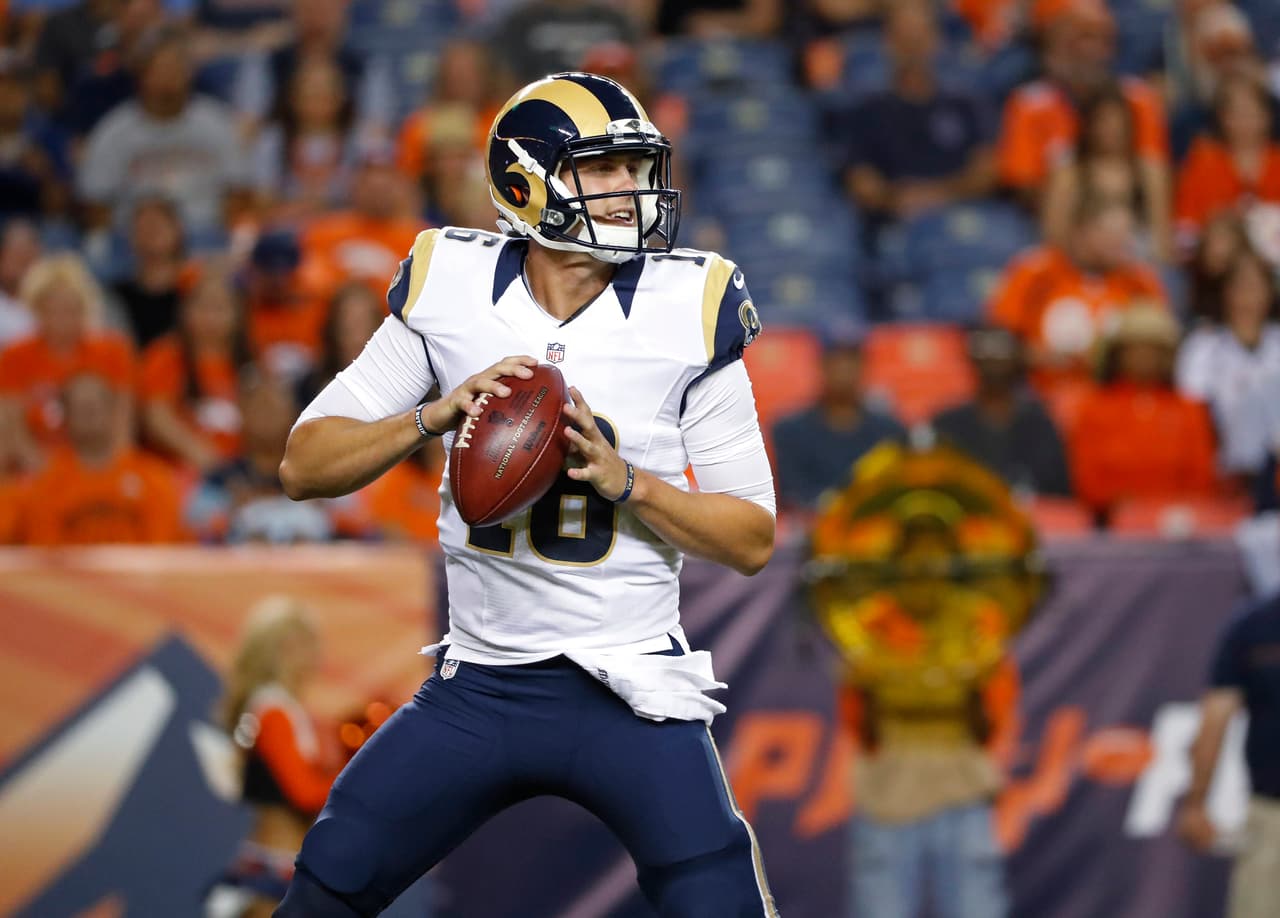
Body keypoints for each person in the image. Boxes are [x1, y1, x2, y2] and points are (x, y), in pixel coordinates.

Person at [275, 72, 779, 916]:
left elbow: (753, 538)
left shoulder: (688, 305)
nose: (631, 190)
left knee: (716, 897)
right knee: (335, 871)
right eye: (604, 170)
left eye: (635, 168)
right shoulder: (452, 286)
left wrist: (632, 485)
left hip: (627, 688)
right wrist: (432, 416)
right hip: (480, 686)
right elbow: (303, 464)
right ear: (524, 182)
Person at [209, 595, 341, 917]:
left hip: (280, 861)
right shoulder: (273, 711)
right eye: (305, 645)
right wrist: (356, 778)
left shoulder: (278, 708)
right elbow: (304, 793)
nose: (315, 657)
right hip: (274, 866)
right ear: (282, 650)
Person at [842, 0, 996, 223]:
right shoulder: (866, 111)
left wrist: (939, 194)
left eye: (919, 37)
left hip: (961, 217)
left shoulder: (965, 104)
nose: (913, 48)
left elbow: (986, 171)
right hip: (895, 225)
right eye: (904, 38)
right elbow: (860, 181)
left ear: (937, 41)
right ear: (888, 43)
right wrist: (894, 199)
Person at [1177, 590, 1280, 918]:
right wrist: (1195, 801)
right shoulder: (1255, 625)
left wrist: (1196, 802)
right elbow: (1216, 717)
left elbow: (1216, 716)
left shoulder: (1254, 622)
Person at [1067, 304, 1218, 516]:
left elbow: (1201, 477)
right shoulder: (1094, 408)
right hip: (1110, 526)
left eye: (1152, 349)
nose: (1143, 356)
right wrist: (1120, 504)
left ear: (1166, 356)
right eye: (1135, 348)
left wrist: (1167, 508)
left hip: (1176, 525)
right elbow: (1086, 477)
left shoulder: (1188, 409)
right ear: (1118, 355)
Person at [772, 331, 906, 511]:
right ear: (822, 366)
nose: (844, 369)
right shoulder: (789, 430)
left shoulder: (890, 430)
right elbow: (793, 494)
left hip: (875, 526)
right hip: (814, 527)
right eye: (836, 361)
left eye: (851, 360)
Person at [931, 327, 1072, 497]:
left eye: (1001, 352)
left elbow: (1057, 490)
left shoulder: (1040, 423)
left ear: (1018, 361)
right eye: (987, 351)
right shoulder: (947, 423)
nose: (994, 360)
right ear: (973, 360)